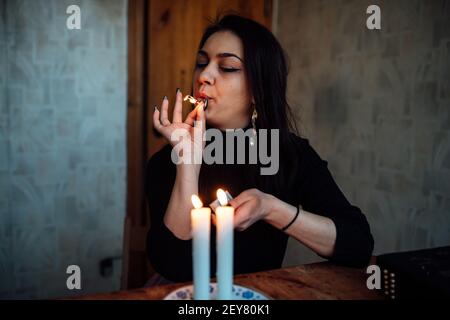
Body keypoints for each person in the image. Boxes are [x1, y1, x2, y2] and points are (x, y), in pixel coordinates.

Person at [145, 14, 374, 284]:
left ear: (258, 90)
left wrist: (271, 209)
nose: (204, 76)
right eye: (201, 63)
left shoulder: (290, 155)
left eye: (228, 67)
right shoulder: (166, 161)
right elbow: (172, 266)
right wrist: (188, 165)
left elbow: (358, 245)